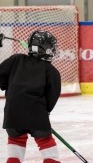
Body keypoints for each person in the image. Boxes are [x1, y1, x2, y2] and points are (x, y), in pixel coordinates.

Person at [0, 31, 61, 163]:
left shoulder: (15, 59)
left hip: (12, 114)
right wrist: (44, 113)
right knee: (45, 142)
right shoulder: (51, 70)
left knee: (16, 142)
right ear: (45, 48)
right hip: (37, 115)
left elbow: (1, 79)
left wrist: (8, 86)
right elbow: (52, 97)